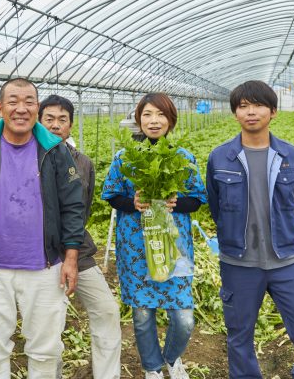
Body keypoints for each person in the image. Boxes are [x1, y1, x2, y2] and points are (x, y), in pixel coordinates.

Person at [0, 78, 86, 378]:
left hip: (46, 266)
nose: (21, 108)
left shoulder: (55, 151)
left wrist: (71, 259)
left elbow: (73, 207)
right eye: (13, 101)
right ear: (0, 108)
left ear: (37, 108)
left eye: (29, 102)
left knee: (45, 349)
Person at [206, 80, 294, 379]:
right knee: (240, 337)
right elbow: (215, 205)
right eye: (243, 106)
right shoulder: (220, 157)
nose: (251, 112)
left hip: (287, 260)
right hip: (239, 262)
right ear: (235, 113)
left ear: (273, 111)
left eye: (258, 105)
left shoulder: (291, 156)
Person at [101, 93, 206, 379]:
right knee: (143, 313)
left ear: (171, 119)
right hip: (135, 245)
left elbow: (197, 199)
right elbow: (111, 195)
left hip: (173, 246)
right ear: (139, 120)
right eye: (147, 114)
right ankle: (151, 368)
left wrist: (175, 203)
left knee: (183, 318)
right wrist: (132, 203)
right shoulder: (125, 158)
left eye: (160, 114)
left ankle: (171, 359)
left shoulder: (183, 158)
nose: (154, 120)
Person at [38, 95, 122, 379]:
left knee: (107, 310)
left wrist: (72, 247)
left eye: (62, 120)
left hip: (79, 252)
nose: (55, 125)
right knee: (49, 325)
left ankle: (107, 375)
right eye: (49, 119)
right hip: (42, 256)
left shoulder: (83, 163)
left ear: (71, 125)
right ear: (39, 122)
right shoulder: (25, 158)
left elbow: (82, 209)